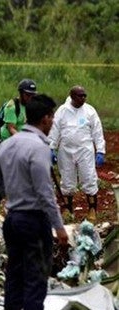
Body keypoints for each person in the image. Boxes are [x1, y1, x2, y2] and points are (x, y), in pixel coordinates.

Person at [0, 94, 68, 310]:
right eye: (52, 117)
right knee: (35, 281)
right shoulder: (39, 148)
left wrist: (14, 196)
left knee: (14, 278)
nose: (53, 121)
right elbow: (46, 193)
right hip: (34, 221)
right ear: (45, 119)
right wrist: (59, 228)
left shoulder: (7, 145)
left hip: (12, 219)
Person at [48, 85, 106, 222]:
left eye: (85, 95)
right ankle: (68, 209)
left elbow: (97, 131)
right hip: (66, 150)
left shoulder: (89, 111)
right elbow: (54, 129)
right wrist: (51, 148)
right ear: (73, 96)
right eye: (80, 96)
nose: (84, 98)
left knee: (89, 177)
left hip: (85, 149)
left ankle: (92, 209)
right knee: (67, 179)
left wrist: (100, 151)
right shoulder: (62, 111)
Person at [0, 78, 38, 212]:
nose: (30, 97)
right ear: (20, 93)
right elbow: (11, 127)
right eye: (27, 95)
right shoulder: (12, 106)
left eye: (32, 95)